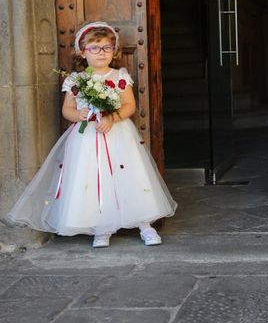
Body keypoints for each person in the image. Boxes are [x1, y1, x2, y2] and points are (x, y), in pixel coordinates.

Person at [7, 22, 177, 248]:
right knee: (91, 176)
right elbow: (67, 110)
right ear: (82, 52)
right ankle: (101, 227)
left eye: (107, 48)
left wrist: (111, 118)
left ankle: (144, 225)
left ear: (114, 51)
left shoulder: (119, 76)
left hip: (118, 135)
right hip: (86, 138)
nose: (101, 53)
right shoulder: (76, 80)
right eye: (95, 48)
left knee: (130, 176)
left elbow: (129, 105)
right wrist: (79, 114)